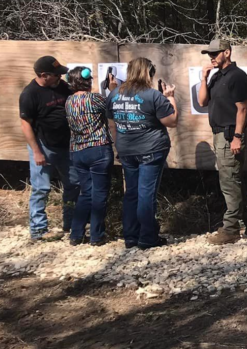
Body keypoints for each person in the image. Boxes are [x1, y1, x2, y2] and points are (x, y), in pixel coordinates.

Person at [107, 57, 177, 249]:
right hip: (151, 149)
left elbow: (113, 125)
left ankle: (130, 237)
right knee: (146, 194)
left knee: (131, 193)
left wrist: (118, 146)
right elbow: (171, 121)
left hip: (126, 149)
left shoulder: (114, 95)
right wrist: (170, 97)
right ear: (148, 73)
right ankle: (147, 237)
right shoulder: (153, 95)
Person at [196, 38, 247, 244]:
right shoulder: (216, 77)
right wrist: (204, 78)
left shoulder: (237, 76)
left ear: (227, 52)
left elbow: (242, 108)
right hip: (219, 134)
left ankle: (231, 229)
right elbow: (202, 101)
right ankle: (241, 222)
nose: (211, 57)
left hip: (229, 135)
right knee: (230, 179)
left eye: (215, 53)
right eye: (209, 54)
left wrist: (237, 137)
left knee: (229, 181)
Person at [19, 55, 79, 242]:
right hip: (43, 145)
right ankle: (38, 229)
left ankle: (70, 224)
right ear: (43, 75)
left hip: (66, 145)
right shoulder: (30, 94)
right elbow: (25, 124)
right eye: (55, 75)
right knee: (41, 188)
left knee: (73, 184)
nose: (60, 77)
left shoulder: (62, 87)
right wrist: (36, 152)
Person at [64, 67, 114, 246]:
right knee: (99, 193)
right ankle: (96, 235)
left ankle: (76, 234)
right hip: (98, 149)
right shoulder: (95, 99)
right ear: (87, 81)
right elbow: (112, 106)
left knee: (86, 193)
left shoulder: (69, 101)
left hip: (77, 151)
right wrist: (112, 88)